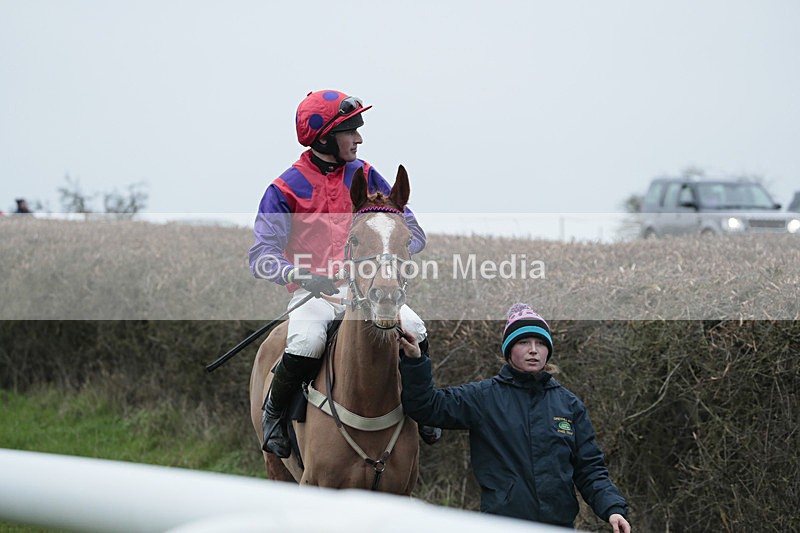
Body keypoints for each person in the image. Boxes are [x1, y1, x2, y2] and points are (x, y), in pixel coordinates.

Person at [249, 89, 440, 459]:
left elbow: (411, 232)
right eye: (350, 130)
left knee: (416, 330)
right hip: (315, 294)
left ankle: (423, 406)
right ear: (324, 137)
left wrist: (389, 259)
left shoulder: (366, 174)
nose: (359, 138)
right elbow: (261, 256)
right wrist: (303, 275)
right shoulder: (284, 188)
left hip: (369, 289)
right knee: (305, 344)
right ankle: (274, 414)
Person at [399, 304, 631, 532]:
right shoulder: (483, 398)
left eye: (540, 343)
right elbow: (426, 406)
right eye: (523, 342)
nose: (533, 349)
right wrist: (416, 360)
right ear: (509, 350)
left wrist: (613, 509)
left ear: (548, 351)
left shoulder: (570, 406)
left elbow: (590, 469)